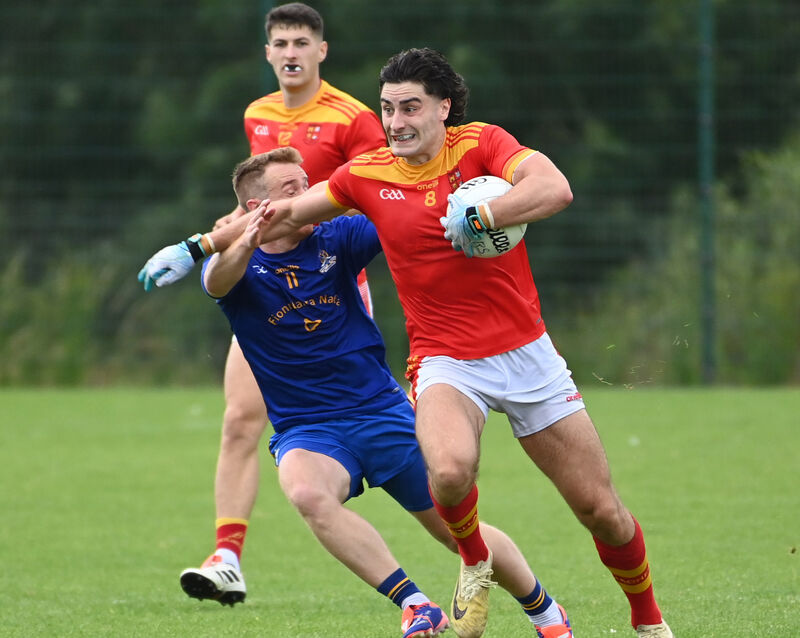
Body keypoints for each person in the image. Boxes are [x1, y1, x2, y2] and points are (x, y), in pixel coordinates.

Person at [139, 48, 673, 638]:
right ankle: (472, 563)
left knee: (601, 511)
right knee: (448, 473)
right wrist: (196, 247)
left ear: (443, 107)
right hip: (444, 359)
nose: (395, 121)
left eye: (410, 107)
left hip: (527, 354)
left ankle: (647, 621)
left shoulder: (483, 144)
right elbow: (279, 214)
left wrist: (483, 214)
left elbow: (554, 189)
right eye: (388, 108)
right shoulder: (365, 175)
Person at [187, 146, 575, 637]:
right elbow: (218, 281)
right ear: (256, 207)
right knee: (307, 493)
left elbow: (401, 219)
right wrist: (242, 241)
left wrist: (473, 208)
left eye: (308, 184)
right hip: (308, 429)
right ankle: (415, 603)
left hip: (382, 412)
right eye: (292, 190)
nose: (307, 196)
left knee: (458, 534)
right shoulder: (235, 265)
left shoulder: (337, 236)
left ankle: (545, 612)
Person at [141, 3, 387, 602]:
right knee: (238, 422)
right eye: (280, 42)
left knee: (371, 431)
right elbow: (259, 211)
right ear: (268, 52)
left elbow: (378, 192)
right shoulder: (258, 114)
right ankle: (227, 556)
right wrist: (201, 244)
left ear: (322, 50)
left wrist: (200, 244)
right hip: (264, 290)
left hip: (332, 287)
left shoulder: (353, 118)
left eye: (302, 40)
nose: (291, 51)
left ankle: (461, 539)